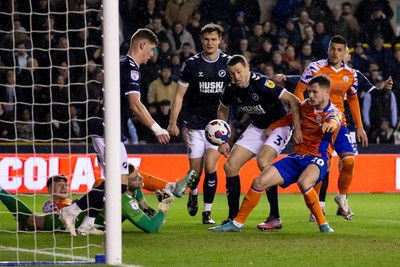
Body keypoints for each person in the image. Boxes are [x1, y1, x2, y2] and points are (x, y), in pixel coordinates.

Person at [60, 28, 171, 235]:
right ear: (142, 45)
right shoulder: (131, 68)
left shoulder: (119, 64)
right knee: (119, 184)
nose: (151, 55)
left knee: (111, 181)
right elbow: (135, 104)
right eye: (151, 49)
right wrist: (156, 128)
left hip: (105, 126)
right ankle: (71, 210)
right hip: (107, 128)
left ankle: (88, 223)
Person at [209, 75, 341, 233]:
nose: (310, 96)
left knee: (304, 182)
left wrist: (330, 125)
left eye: (314, 92)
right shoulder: (305, 106)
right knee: (258, 181)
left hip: (317, 159)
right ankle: (236, 223)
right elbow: (289, 118)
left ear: (327, 93)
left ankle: (323, 225)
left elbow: (335, 121)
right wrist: (272, 127)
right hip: (295, 158)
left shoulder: (334, 113)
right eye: (309, 92)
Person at [217, 55, 301, 224]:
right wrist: (223, 139)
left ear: (247, 68)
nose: (236, 77)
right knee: (230, 166)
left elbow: (294, 100)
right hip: (258, 126)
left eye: (239, 72)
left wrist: (298, 128)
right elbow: (222, 110)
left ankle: (275, 217)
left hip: (279, 126)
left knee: (263, 161)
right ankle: (232, 218)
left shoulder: (262, 83)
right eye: (232, 74)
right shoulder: (230, 89)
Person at [294, 35, 368, 220]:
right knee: (321, 165)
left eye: (339, 50)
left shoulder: (351, 75)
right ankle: (317, 207)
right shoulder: (315, 68)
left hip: (338, 123)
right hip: (316, 125)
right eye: (332, 49)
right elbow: (298, 91)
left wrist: (359, 126)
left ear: (345, 53)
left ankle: (341, 197)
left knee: (349, 161)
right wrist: (302, 121)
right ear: (328, 49)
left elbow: (352, 98)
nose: (335, 53)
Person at [168, 23, 231, 224]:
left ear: (220, 40)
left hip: (216, 126)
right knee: (195, 173)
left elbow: (232, 97)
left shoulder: (228, 64)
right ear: (201, 40)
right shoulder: (191, 64)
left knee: (212, 167)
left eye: (213, 39)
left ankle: (207, 212)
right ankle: (193, 192)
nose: (209, 42)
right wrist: (173, 122)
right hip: (194, 124)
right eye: (206, 39)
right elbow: (178, 96)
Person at [0, 165, 178, 234]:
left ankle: (87, 223)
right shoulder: (125, 201)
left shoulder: (120, 191)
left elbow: (131, 189)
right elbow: (152, 228)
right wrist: (164, 207)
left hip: (87, 217)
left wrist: (144, 203)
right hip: (76, 220)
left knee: (29, 223)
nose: (142, 180)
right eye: (137, 178)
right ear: (125, 182)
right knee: (30, 220)